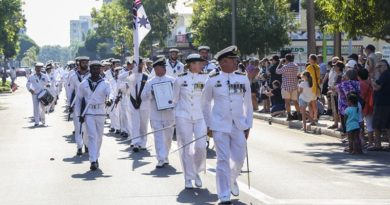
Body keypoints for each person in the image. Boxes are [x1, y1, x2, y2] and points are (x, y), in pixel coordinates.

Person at [202, 46, 253, 204]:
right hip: (219, 125)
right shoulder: (212, 79)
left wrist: (248, 125)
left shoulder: (242, 78)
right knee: (222, 159)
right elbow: (205, 103)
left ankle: (232, 179)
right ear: (223, 62)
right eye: (233, 60)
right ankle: (224, 194)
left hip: (238, 125)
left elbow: (248, 104)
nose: (236, 62)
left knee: (239, 158)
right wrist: (209, 125)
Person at [173, 54, 208, 189]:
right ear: (191, 64)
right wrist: (175, 118)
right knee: (186, 147)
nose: (200, 65)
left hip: (200, 116)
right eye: (198, 63)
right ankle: (188, 177)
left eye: (201, 63)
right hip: (183, 116)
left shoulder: (205, 78)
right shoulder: (180, 79)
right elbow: (174, 100)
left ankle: (196, 171)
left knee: (200, 146)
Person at [76, 61, 113, 170]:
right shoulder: (84, 84)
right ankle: (92, 160)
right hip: (89, 113)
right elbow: (78, 99)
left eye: (98, 69)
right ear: (90, 70)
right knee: (92, 136)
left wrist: (110, 100)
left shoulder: (105, 83)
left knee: (99, 137)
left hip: (101, 112)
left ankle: (96, 156)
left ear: (100, 70)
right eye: (94, 69)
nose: (96, 71)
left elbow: (110, 93)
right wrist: (79, 115)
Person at [141, 57, 175, 168]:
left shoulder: (172, 80)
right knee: (158, 136)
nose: (159, 70)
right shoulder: (150, 82)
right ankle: (160, 158)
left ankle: (165, 155)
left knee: (168, 137)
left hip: (169, 113)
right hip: (156, 114)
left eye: (161, 68)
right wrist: (152, 93)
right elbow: (143, 96)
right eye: (157, 68)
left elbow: (178, 95)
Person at [119, 58, 150, 152]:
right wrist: (126, 85)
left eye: (141, 64)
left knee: (143, 124)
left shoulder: (147, 77)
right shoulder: (129, 76)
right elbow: (122, 88)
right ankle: (136, 142)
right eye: (137, 64)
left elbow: (150, 90)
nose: (139, 66)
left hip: (144, 103)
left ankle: (143, 142)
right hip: (133, 103)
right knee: (134, 123)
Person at [68, 56, 90, 155]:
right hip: (77, 104)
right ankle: (79, 146)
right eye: (83, 62)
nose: (85, 64)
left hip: (88, 104)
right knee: (78, 127)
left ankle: (87, 144)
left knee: (87, 127)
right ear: (79, 64)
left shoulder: (91, 75)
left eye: (86, 62)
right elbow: (70, 91)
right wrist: (70, 104)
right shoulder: (73, 76)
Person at [370, 60, 390, 151]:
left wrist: (372, 80)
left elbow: (377, 88)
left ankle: (377, 145)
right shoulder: (385, 75)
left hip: (382, 103)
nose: (378, 69)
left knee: (376, 125)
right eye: (377, 67)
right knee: (387, 125)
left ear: (386, 66)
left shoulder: (385, 75)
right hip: (385, 102)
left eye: (380, 66)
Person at [276, 53, 300, 121]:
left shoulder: (285, 66)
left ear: (286, 59)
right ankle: (299, 115)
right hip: (294, 86)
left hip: (286, 86)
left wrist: (280, 63)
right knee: (295, 101)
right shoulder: (295, 65)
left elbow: (277, 71)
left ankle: (289, 115)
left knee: (287, 102)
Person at [26, 62, 51, 127]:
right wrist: (30, 90)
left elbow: (48, 82)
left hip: (42, 94)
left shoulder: (44, 75)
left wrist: (48, 85)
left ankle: (43, 121)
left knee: (43, 108)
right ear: (35, 68)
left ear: (41, 68)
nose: (38, 69)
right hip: (35, 94)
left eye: (39, 68)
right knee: (36, 108)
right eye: (37, 68)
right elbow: (27, 84)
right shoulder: (32, 76)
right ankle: (36, 122)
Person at [336, 70, 360, 134]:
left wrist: (342, 80)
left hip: (344, 106)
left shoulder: (345, 83)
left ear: (348, 76)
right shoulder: (358, 83)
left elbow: (337, 87)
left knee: (346, 122)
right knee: (355, 122)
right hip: (356, 105)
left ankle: (348, 137)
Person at [357, 68, 374, 148]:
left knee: (364, 124)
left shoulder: (360, 84)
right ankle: (370, 142)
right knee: (369, 124)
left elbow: (361, 96)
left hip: (365, 106)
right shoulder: (370, 82)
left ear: (359, 76)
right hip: (371, 104)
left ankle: (366, 142)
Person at [306, 54, 321, 124]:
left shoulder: (309, 67)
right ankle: (314, 117)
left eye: (309, 58)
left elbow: (306, 78)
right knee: (313, 104)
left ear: (312, 60)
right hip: (315, 88)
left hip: (310, 87)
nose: (308, 59)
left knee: (311, 104)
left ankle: (312, 118)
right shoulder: (318, 67)